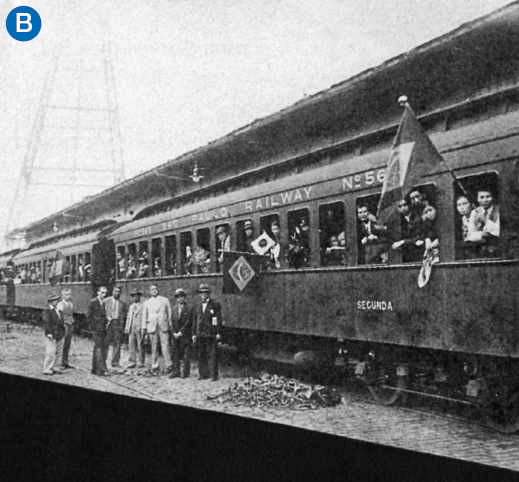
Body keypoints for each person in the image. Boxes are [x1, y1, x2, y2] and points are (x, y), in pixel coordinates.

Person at [193, 284, 222, 381]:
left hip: (210, 333)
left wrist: (217, 332)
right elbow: (195, 320)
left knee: (212, 354)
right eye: (201, 293)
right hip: (200, 333)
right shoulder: (198, 305)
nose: (203, 295)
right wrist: (194, 333)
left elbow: (217, 319)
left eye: (205, 293)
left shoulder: (215, 304)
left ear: (208, 294)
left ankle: (214, 375)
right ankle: (202, 374)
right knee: (201, 355)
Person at [143, 283, 173, 373]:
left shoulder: (165, 300)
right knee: (154, 347)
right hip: (152, 326)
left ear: (158, 289)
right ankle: (155, 365)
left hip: (163, 325)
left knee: (166, 346)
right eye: (152, 289)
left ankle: (169, 365)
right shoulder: (147, 303)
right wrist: (144, 328)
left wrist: (170, 325)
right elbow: (144, 316)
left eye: (155, 289)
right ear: (150, 291)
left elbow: (169, 313)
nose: (154, 291)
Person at [466, 189, 500, 257]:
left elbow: (499, 232)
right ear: (477, 199)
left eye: (488, 197)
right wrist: (482, 234)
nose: (485, 200)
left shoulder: (500, 210)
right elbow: (470, 235)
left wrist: (486, 221)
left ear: (492, 197)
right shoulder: (475, 212)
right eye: (481, 197)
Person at [169, 288, 194, 379]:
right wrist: (174, 333)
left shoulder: (189, 308)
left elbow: (188, 322)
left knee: (186, 355)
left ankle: (185, 373)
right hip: (175, 336)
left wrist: (180, 332)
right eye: (178, 297)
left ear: (184, 298)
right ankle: (176, 371)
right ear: (176, 299)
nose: (181, 299)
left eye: (182, 297)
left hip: (185, 335)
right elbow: (172, 322)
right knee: (175, 354)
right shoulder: (174, 309)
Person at [391, 198, 424, 263]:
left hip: (418, 252)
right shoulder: (398, 221)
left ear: (409, 205)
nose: (403, 208)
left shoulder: (418, 218)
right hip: (404, 254)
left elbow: (419, 237)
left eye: (405, 205)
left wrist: (403, 242)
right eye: (400, 206)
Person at [103, 286, 127, 368]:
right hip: (108, 323)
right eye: (115, 291)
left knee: (117, 343)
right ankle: (103, 361)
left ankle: (115, 362)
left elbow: (123, 316)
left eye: (118, 292)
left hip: (117, 323)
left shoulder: (122, 303)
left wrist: (121, 326)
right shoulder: (105, 301)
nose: (117, 293)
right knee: (106, 342)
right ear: (112, 292)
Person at [42, 293, 66, 375]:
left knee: (59, 352)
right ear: (50, 302)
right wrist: (48, 333)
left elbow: (61, 322)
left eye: (57, 300)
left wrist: (63, 332)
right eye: (55, 300)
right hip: (52, 334)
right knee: (50, 352)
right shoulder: (47, 311)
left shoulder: (59, 310)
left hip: (60, 334)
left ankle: (56, 367)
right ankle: (47, 369)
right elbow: (46, 323)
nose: (57, 302)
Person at [88, 286, 109, 376]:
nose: (103, 295)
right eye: (102, 292)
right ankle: (100, 370)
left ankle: (94, 368)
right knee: (99, 348)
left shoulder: (103, 303)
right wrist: (93, 327)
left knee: (98, 348)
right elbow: (89, 316)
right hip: (97, 329)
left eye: (105, 293)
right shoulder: (93, 302)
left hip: (102, 329)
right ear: (98, 292)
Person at [125, 288, 146, 369]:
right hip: (131, 328)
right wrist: (127, 327)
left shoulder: (143, 306)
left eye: (137, 296)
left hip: (139, 327)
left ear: (139, 297)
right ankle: (132, 361)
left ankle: (141, 362)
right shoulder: (131, 306)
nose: (135, 298)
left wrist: (143, 328)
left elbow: (144, 317)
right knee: (131, 345)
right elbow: (128, 318)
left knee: (140, 345)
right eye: (134, 296)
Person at [57, 289, 74, 369]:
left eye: (69, 294)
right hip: (64, 325)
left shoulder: (71, 304)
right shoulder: (60, 304)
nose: (68, 296)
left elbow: (71, 314)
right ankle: (59, 362)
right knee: (62, 344)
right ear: (62, 296)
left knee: (68, 343)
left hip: (70, 325)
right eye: (66, 295)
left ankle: (65, 362)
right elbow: (59, 316)